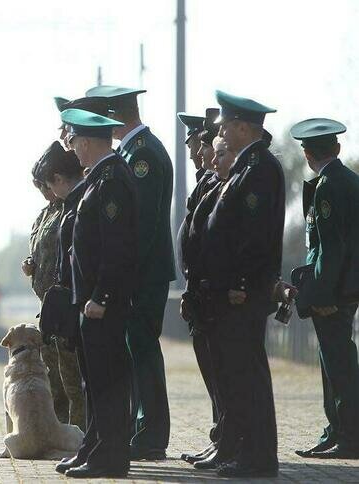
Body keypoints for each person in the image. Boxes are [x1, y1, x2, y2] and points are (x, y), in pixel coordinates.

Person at [195, 90, 283, 478]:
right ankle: (248, 451)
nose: (222, 133)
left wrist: (242, 283)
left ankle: (258, 457)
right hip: (235, 292)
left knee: (249, 378)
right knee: (240, 377)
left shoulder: (259, 168)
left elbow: (255, 237)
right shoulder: (249, 166)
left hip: (244, 294)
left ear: (244, 128)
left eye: (227, 126)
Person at [85, 85, 174, 460]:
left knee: (143, 351)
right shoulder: (134, 152)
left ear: (117, 117)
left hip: (144, 273)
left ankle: (152, 433)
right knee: (136, 351)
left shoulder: (144, 156)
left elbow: (143, 225)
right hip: (140, 273)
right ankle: (143, 427)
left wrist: (126, 275)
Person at [55, 108, 135, 478]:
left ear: (87, 142)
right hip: (90, 303)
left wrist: (101, 297)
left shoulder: (112, 180)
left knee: (108, 381)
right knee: (94, 381)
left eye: (75, 143)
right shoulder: (99, 178)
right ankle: (94, 445)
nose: (73, 151)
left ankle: (111, 455)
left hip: (103, 304)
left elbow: (117, 247)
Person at [290, 118, 359, 459]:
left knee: (339, 366)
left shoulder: (328, 186)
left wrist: (323, 296)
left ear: (307, 153)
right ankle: (337, 431)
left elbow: (330, 249)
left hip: (335, 294)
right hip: (346, 288)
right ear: (337, 148)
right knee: (336, 362)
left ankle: (348, 435)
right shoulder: (349, 181)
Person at [24, 141, 85, 427]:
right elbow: (41, 247)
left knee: (73, 379)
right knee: (55, 378)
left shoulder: (71, 207)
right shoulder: (46, 213)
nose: (45, 192)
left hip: (66, 303)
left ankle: (78, 435)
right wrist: (31, 264)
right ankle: (59, 431)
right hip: (49, 308)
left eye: (46, 185)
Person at [177, 108, 223, 464]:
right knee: (212, 370)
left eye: (199, 145)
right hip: (200, 291)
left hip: (213, 292)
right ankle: (219, 434)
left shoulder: (219, 181)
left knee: (222, 372)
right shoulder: (206, 180)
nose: (195, 152)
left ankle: (225, 437)